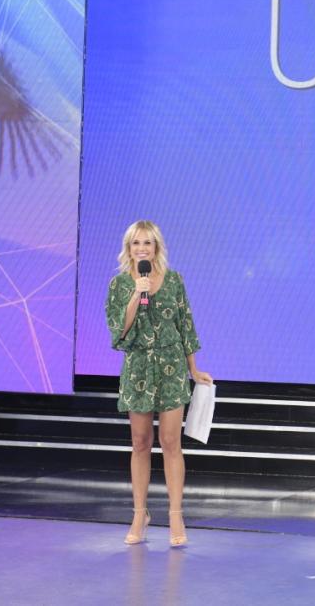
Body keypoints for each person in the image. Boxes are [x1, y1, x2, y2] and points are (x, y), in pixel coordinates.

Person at [105, 220, 213, 547]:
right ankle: (140, 515)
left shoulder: (174, 280)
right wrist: (136, 295)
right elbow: (118, 331)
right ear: (129, 249)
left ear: (156, 248)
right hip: (138, 368)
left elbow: (186, 325)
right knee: (140, 442)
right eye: (136, 243)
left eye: (147, 243)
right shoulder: (119, 285)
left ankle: (176, 515)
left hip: (171, 368)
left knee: (170, 442)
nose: (142, 249)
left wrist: (194, 369)